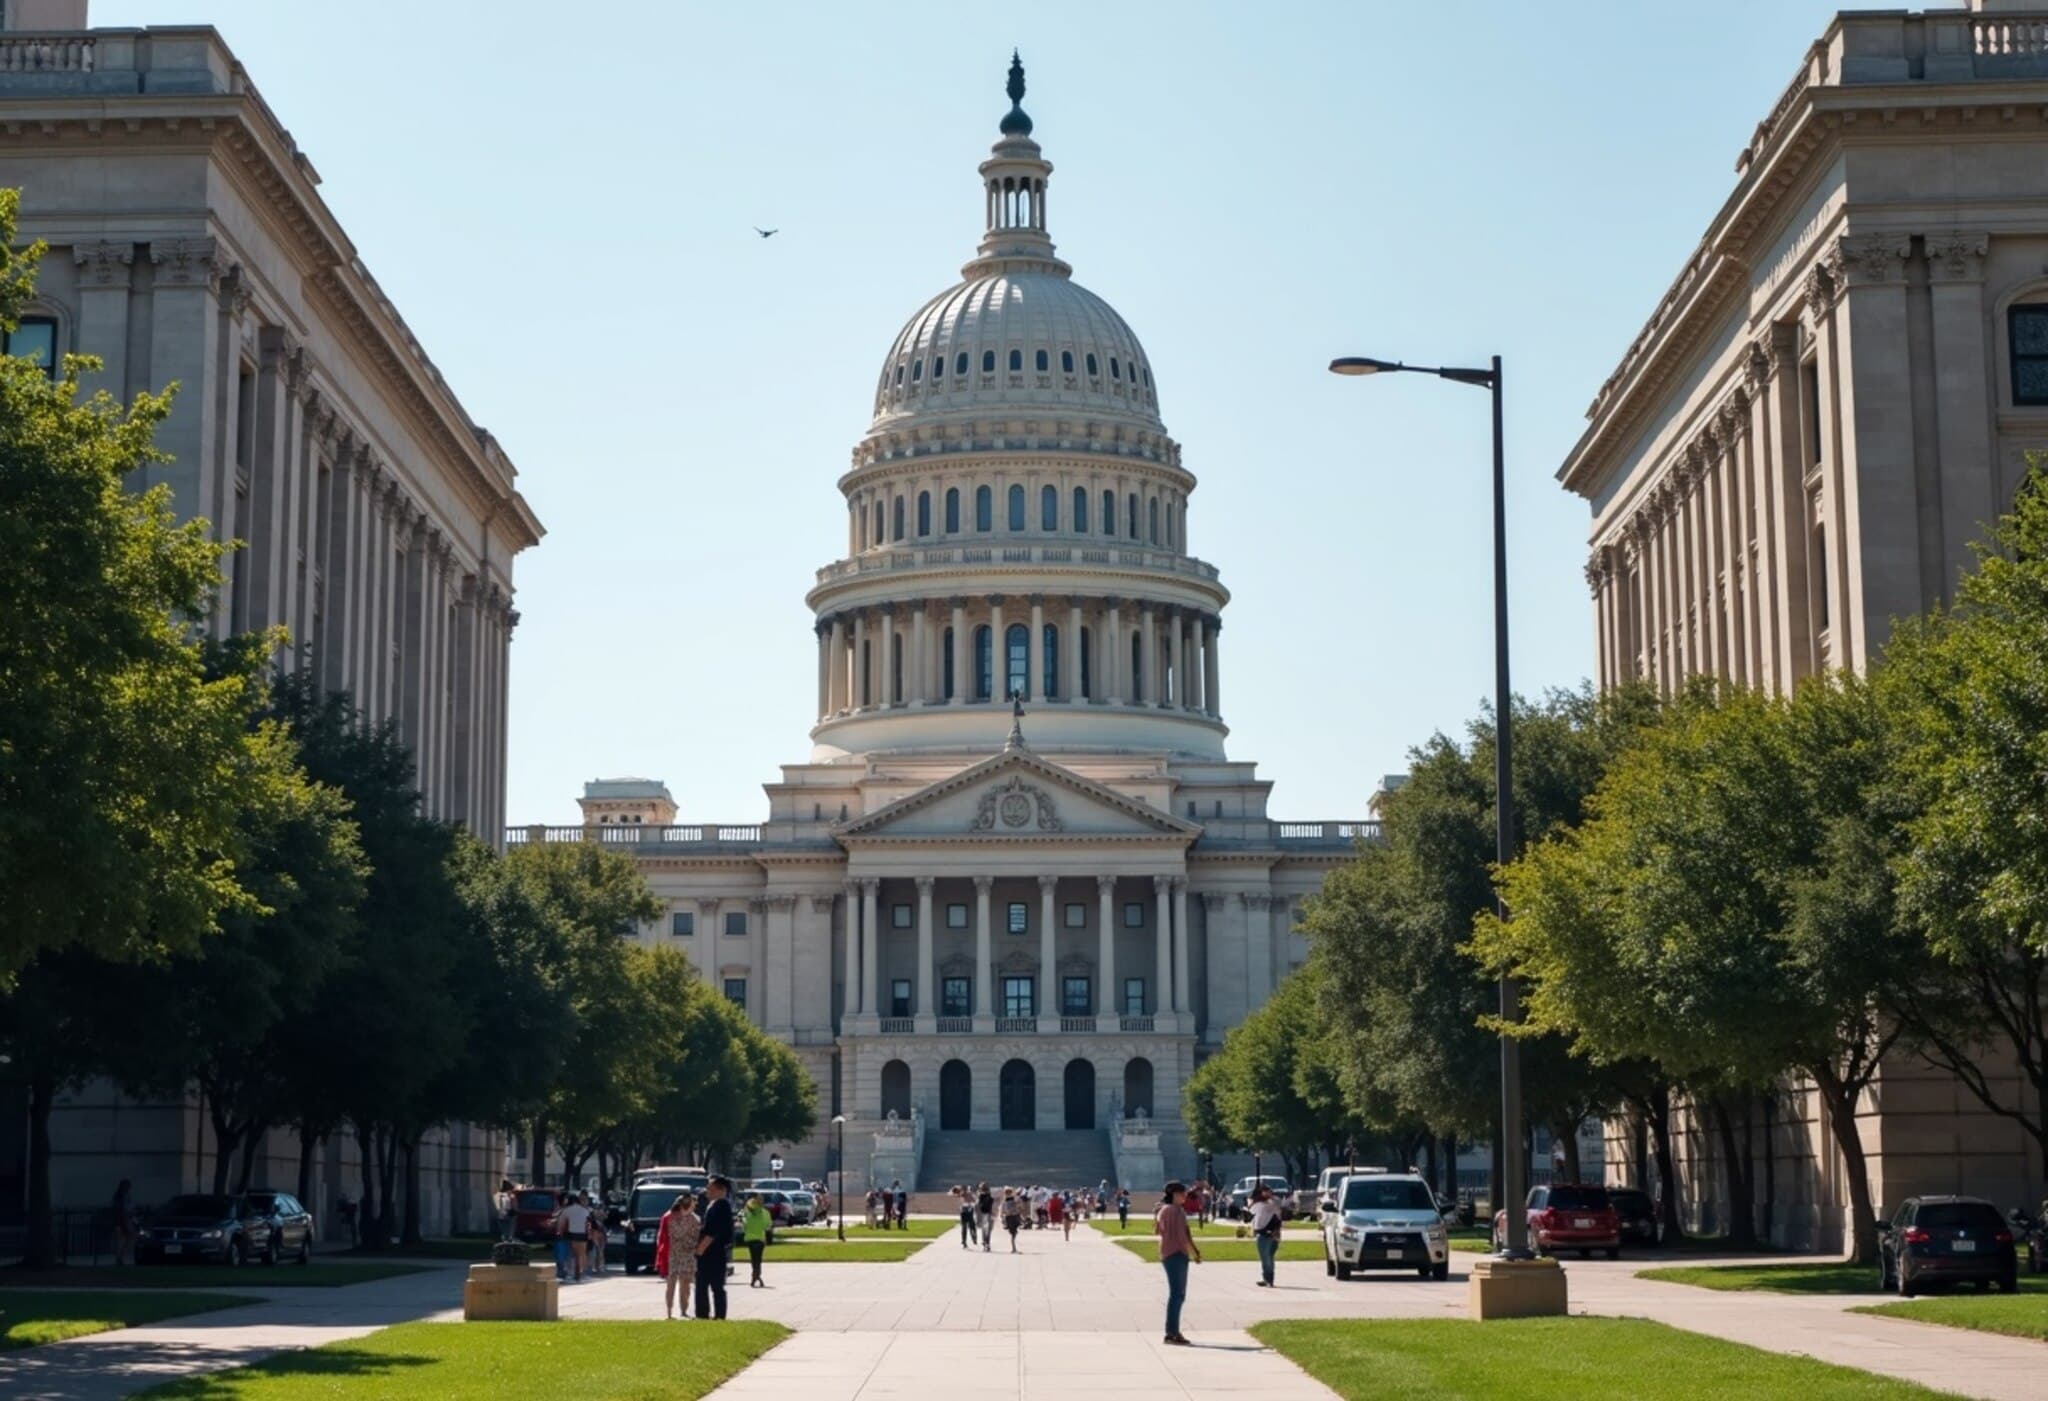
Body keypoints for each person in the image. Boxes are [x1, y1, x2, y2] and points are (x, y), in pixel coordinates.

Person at [1155, 1181, 1202, 1346]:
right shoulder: (1176, 1211)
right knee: (1177, 1294)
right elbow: (1184, 1237)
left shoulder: (1163, 1210)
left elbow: (1158, 1230)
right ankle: (1171, 1332)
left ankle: (1172, 1331)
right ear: (1174, 1194)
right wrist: (1194, 1252)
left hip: (1167, 1253)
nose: (1185, 1197)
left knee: (1176, 1294)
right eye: (1183, 1193)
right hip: (1176, 1253)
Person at [695, 1175, 734, 1319]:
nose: (707, 1191)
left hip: (713, 1252)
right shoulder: (713, 1205)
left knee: (713, 1285)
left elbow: (712, 1232)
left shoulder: (721, 1205)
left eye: (711, 1188)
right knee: (703, 1285)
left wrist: (700, 1250)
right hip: (712, 1251)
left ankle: (715, 1315)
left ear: (721, 1190)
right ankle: (704, 1313)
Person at [657, 1192, 700, 1319]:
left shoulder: (669, 1217)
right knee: (684, 1285)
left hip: (673, 1254)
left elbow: (663, 1237)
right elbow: (695, 1237)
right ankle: (682, 1310)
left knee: (672, 1284)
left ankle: (670, 1311)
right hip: (684, 1254)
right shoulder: (693, 1219)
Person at [1248, 1184, 1284, 1288]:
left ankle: (1269, 1279)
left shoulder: (1268, 1203)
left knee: (1266, 1257)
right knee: (1268, 1257)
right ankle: (1267, 1278)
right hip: (1271, 1232)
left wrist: (1269, 1196)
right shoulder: (1261, 1204)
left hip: (1266, 1233)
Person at [560, 1190, 591, 1282]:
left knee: (572, 1255)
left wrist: (561, 1233)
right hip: (582, 1235)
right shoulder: (585, 1211)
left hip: (572, 1234)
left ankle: (571, 1272)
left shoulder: (566, 1210)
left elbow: (562, 1224)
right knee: (581, 1255)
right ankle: (580, 1272)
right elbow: (588, 1224)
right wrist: (588, 1234)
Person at [742, 1192, 771, 1287]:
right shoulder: (765, 1212)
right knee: (758, 1259)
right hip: (760, 1239)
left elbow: (743, 1223)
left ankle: (755, 1276)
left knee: (753, 1259)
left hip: (750, 1238)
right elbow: (767, 1225)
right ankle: (756, 1275)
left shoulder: (746, 1212)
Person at [110, 1180, 137, 1267]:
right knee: (123, 1239)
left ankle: (120, 1257)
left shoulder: (122, 1196)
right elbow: (120, 1210)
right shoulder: (120, 1197)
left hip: (124, 1219)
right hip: (122, 1220)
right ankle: (119, 1258)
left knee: (124, 1239)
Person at [586, 1194, 608, 1275]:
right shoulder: (594, 1212)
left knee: (599, 1250)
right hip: (598, 1231)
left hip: (598, 1231)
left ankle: (599, 1266)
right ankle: (599, 1266)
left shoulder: (591, 1211)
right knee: (599, 1250)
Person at [976, 1182, 995, 1252]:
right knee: (988, 1230)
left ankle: (985, 1243)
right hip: (988, 1213)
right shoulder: (990, 1195)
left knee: (984, 1230)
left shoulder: (980, 1195)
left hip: (983, 1213)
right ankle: (987, 1243)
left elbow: (977, 1206)